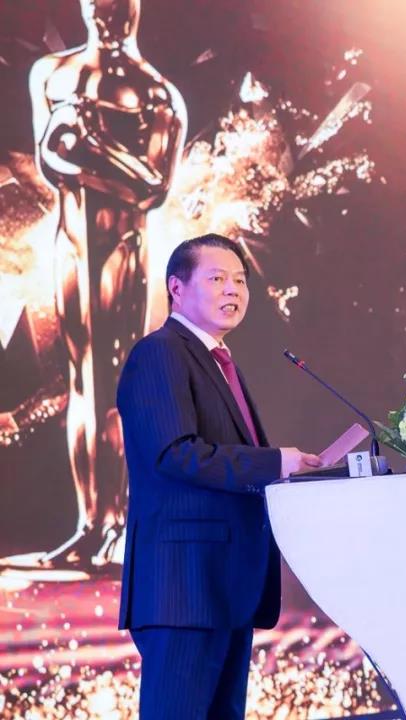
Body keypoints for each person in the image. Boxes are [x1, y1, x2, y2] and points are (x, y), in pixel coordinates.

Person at [116, 233, 322, 719]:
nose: (233, 289)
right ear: (176, 288)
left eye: (240, 281)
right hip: (184, 587)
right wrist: (274, 462)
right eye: (216, 278)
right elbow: (175, 454)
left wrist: (283, 475)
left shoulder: (217, 360)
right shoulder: (160, 352)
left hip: (224, 585)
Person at [23, 0, 187, 570]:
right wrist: (96, 158)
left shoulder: (157, 93)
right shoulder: (52, 74)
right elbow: (51, 159)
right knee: (81, 381)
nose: (107, 12)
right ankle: (89, 524)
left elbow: (152, 187)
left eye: (118, 4)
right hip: (70, 245)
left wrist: (92, 147)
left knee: (114, 383)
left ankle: (118, 523)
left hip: (122, 250)